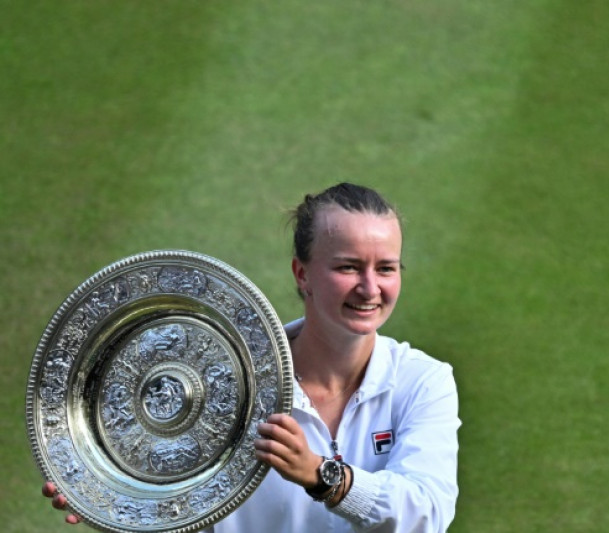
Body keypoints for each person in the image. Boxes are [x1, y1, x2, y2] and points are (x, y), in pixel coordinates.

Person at [42, 183, 461, 532]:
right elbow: (176, 509)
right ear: (302, 274)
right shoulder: (220, 382)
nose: (370, 288)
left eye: (386, 268)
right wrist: (105, 496)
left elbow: (427, 513)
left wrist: (323, 477)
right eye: (349, 267)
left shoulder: (423, 382)